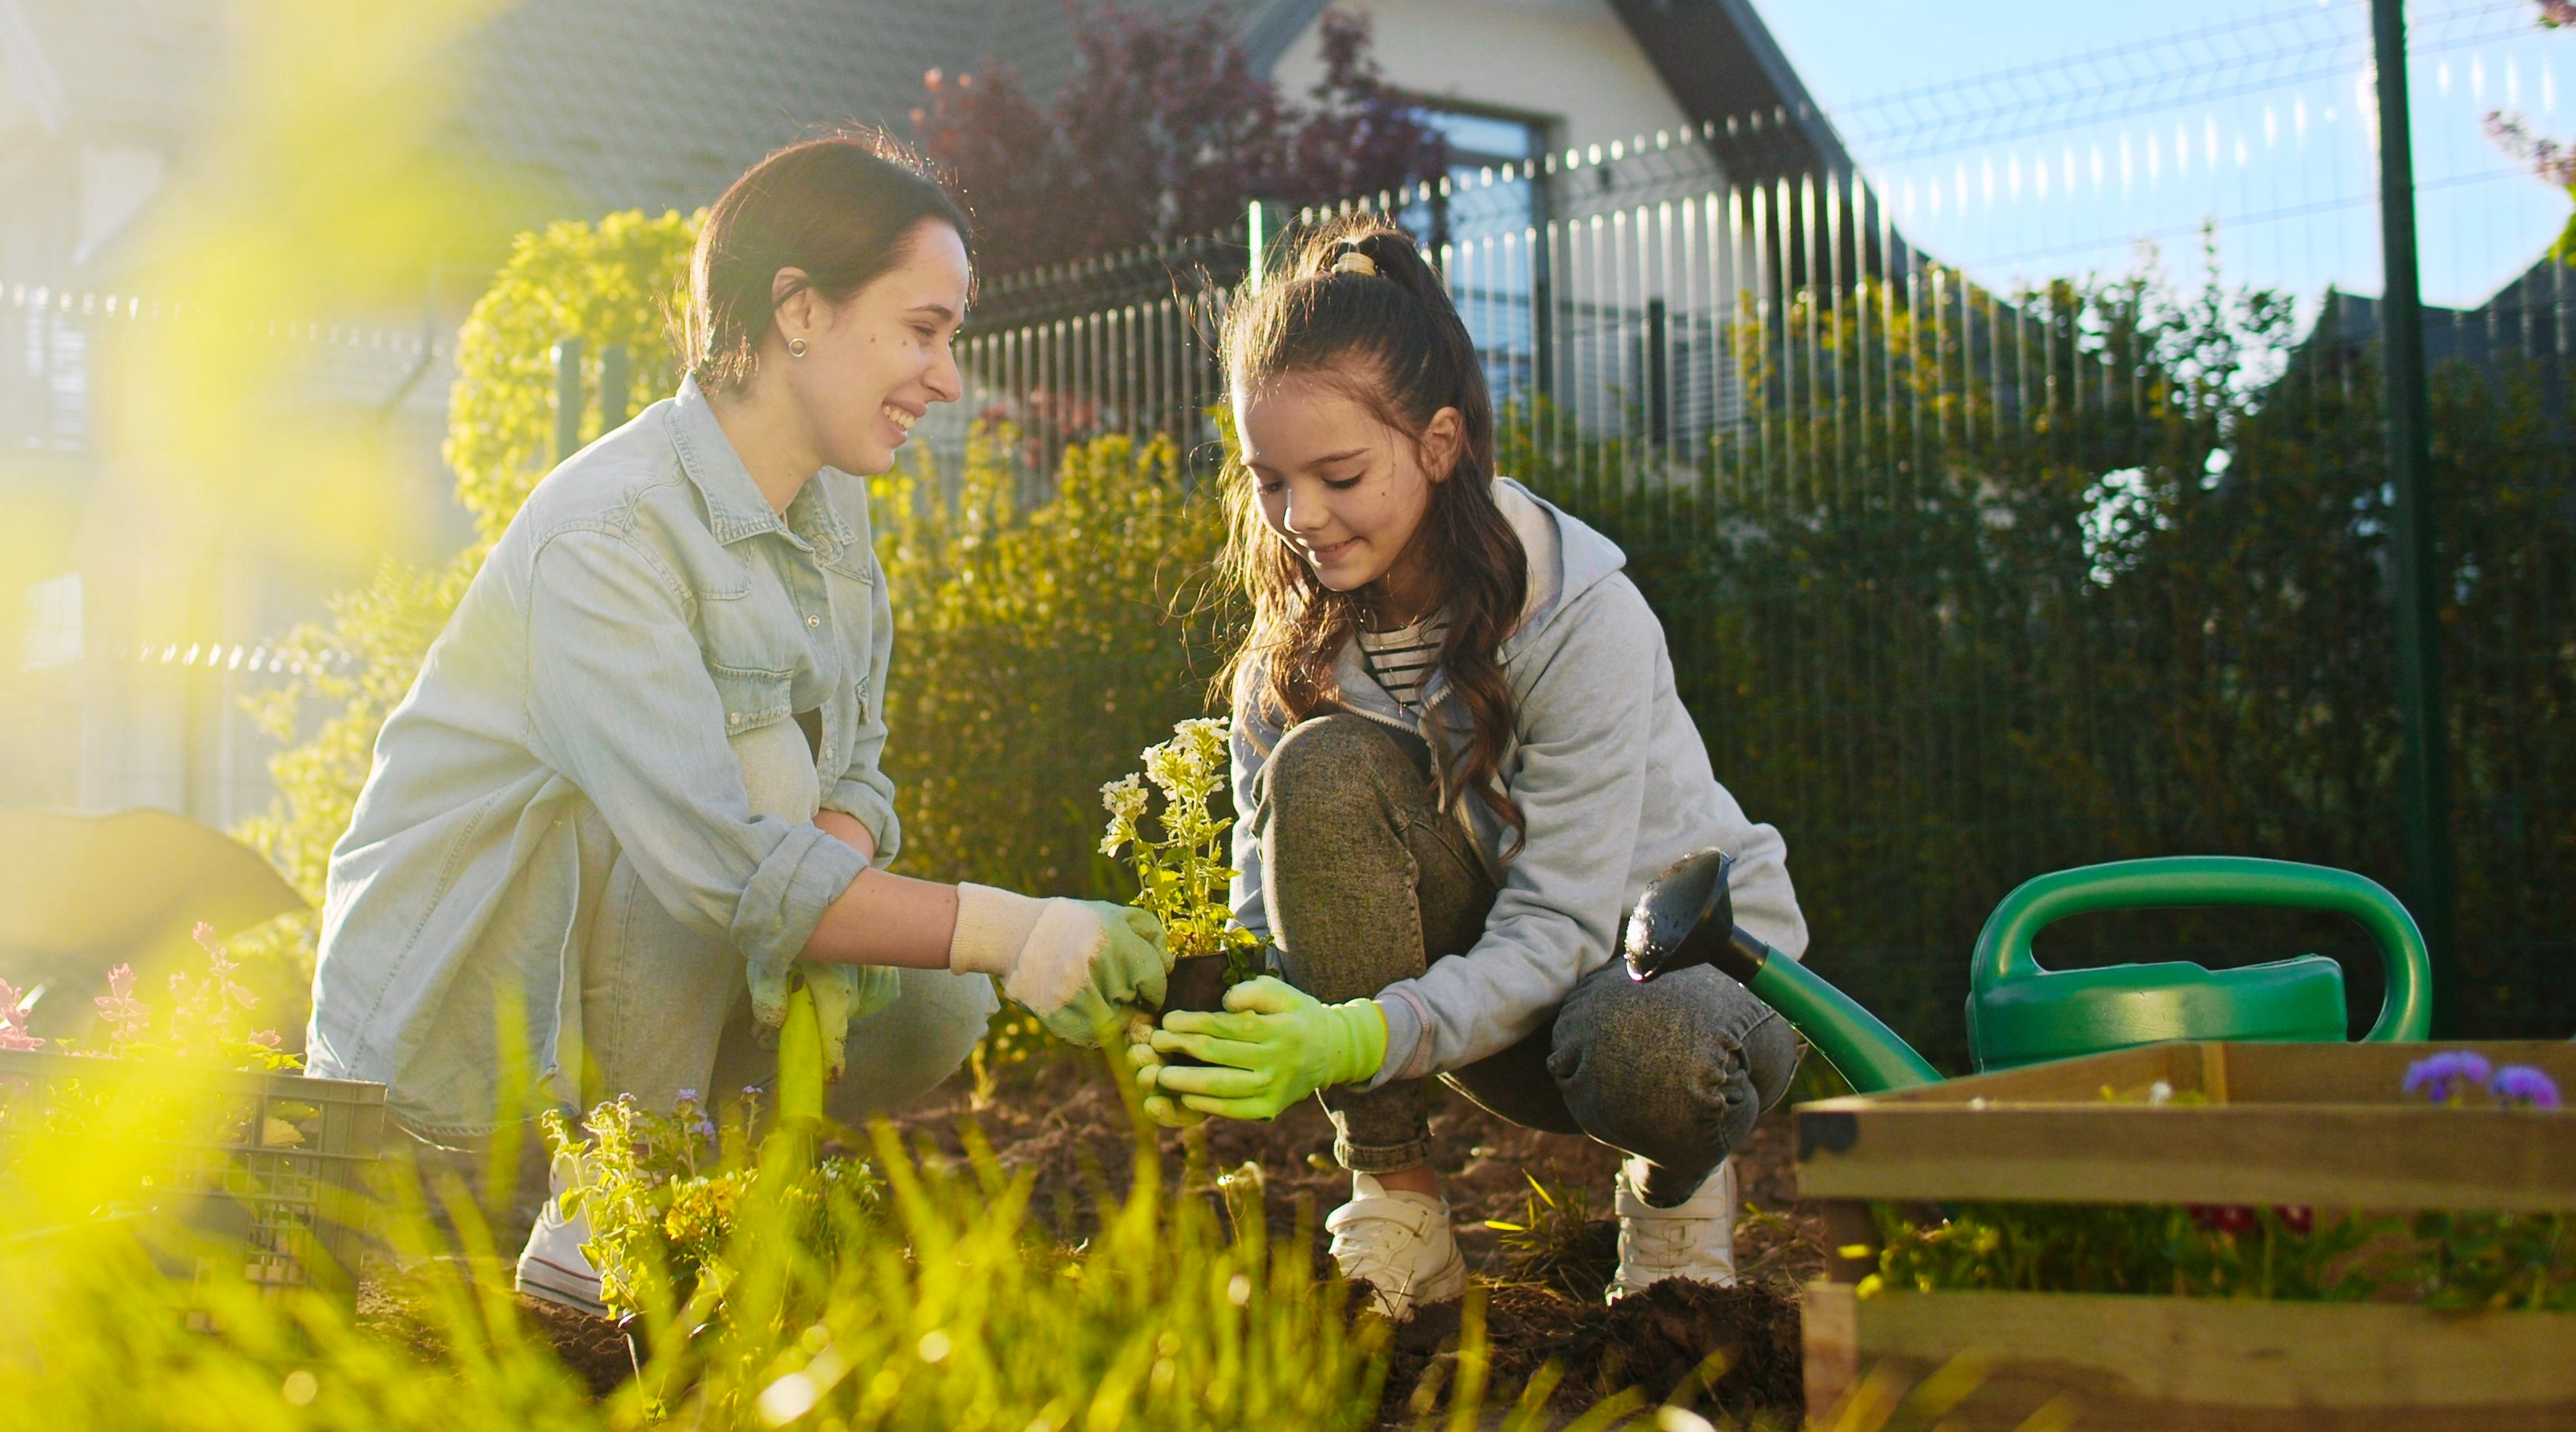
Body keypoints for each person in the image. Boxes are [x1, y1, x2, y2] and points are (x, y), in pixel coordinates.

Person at [309, 135, 1168, 1317]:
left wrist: (834, 890)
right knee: (768, 798)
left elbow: (858, 769)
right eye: (923, 332)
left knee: (934, 1000)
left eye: (950, 338)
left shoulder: (832, 511)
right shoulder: (606, 533)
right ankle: (612, 1210)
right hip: (460, 1010)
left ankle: (723, 1180)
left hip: (661, 932)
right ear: (800, 310)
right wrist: (1015, 927)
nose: (949, 378)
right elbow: (716, 856)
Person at [1130, 216, 1807, 1318]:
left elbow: (1567, 926)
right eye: (1269, 481)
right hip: (1499, 1018)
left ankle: (1677, 1204)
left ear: (1439, 446)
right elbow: (1271, 898)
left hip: (1681, 993)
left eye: (1339, 475)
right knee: (1327, 766)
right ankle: (1399, 1206)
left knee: (1648, 1050)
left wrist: (1359, 1029)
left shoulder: (1582, 617)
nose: (1301, 519)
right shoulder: (1292, 651)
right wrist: (1199, 998)